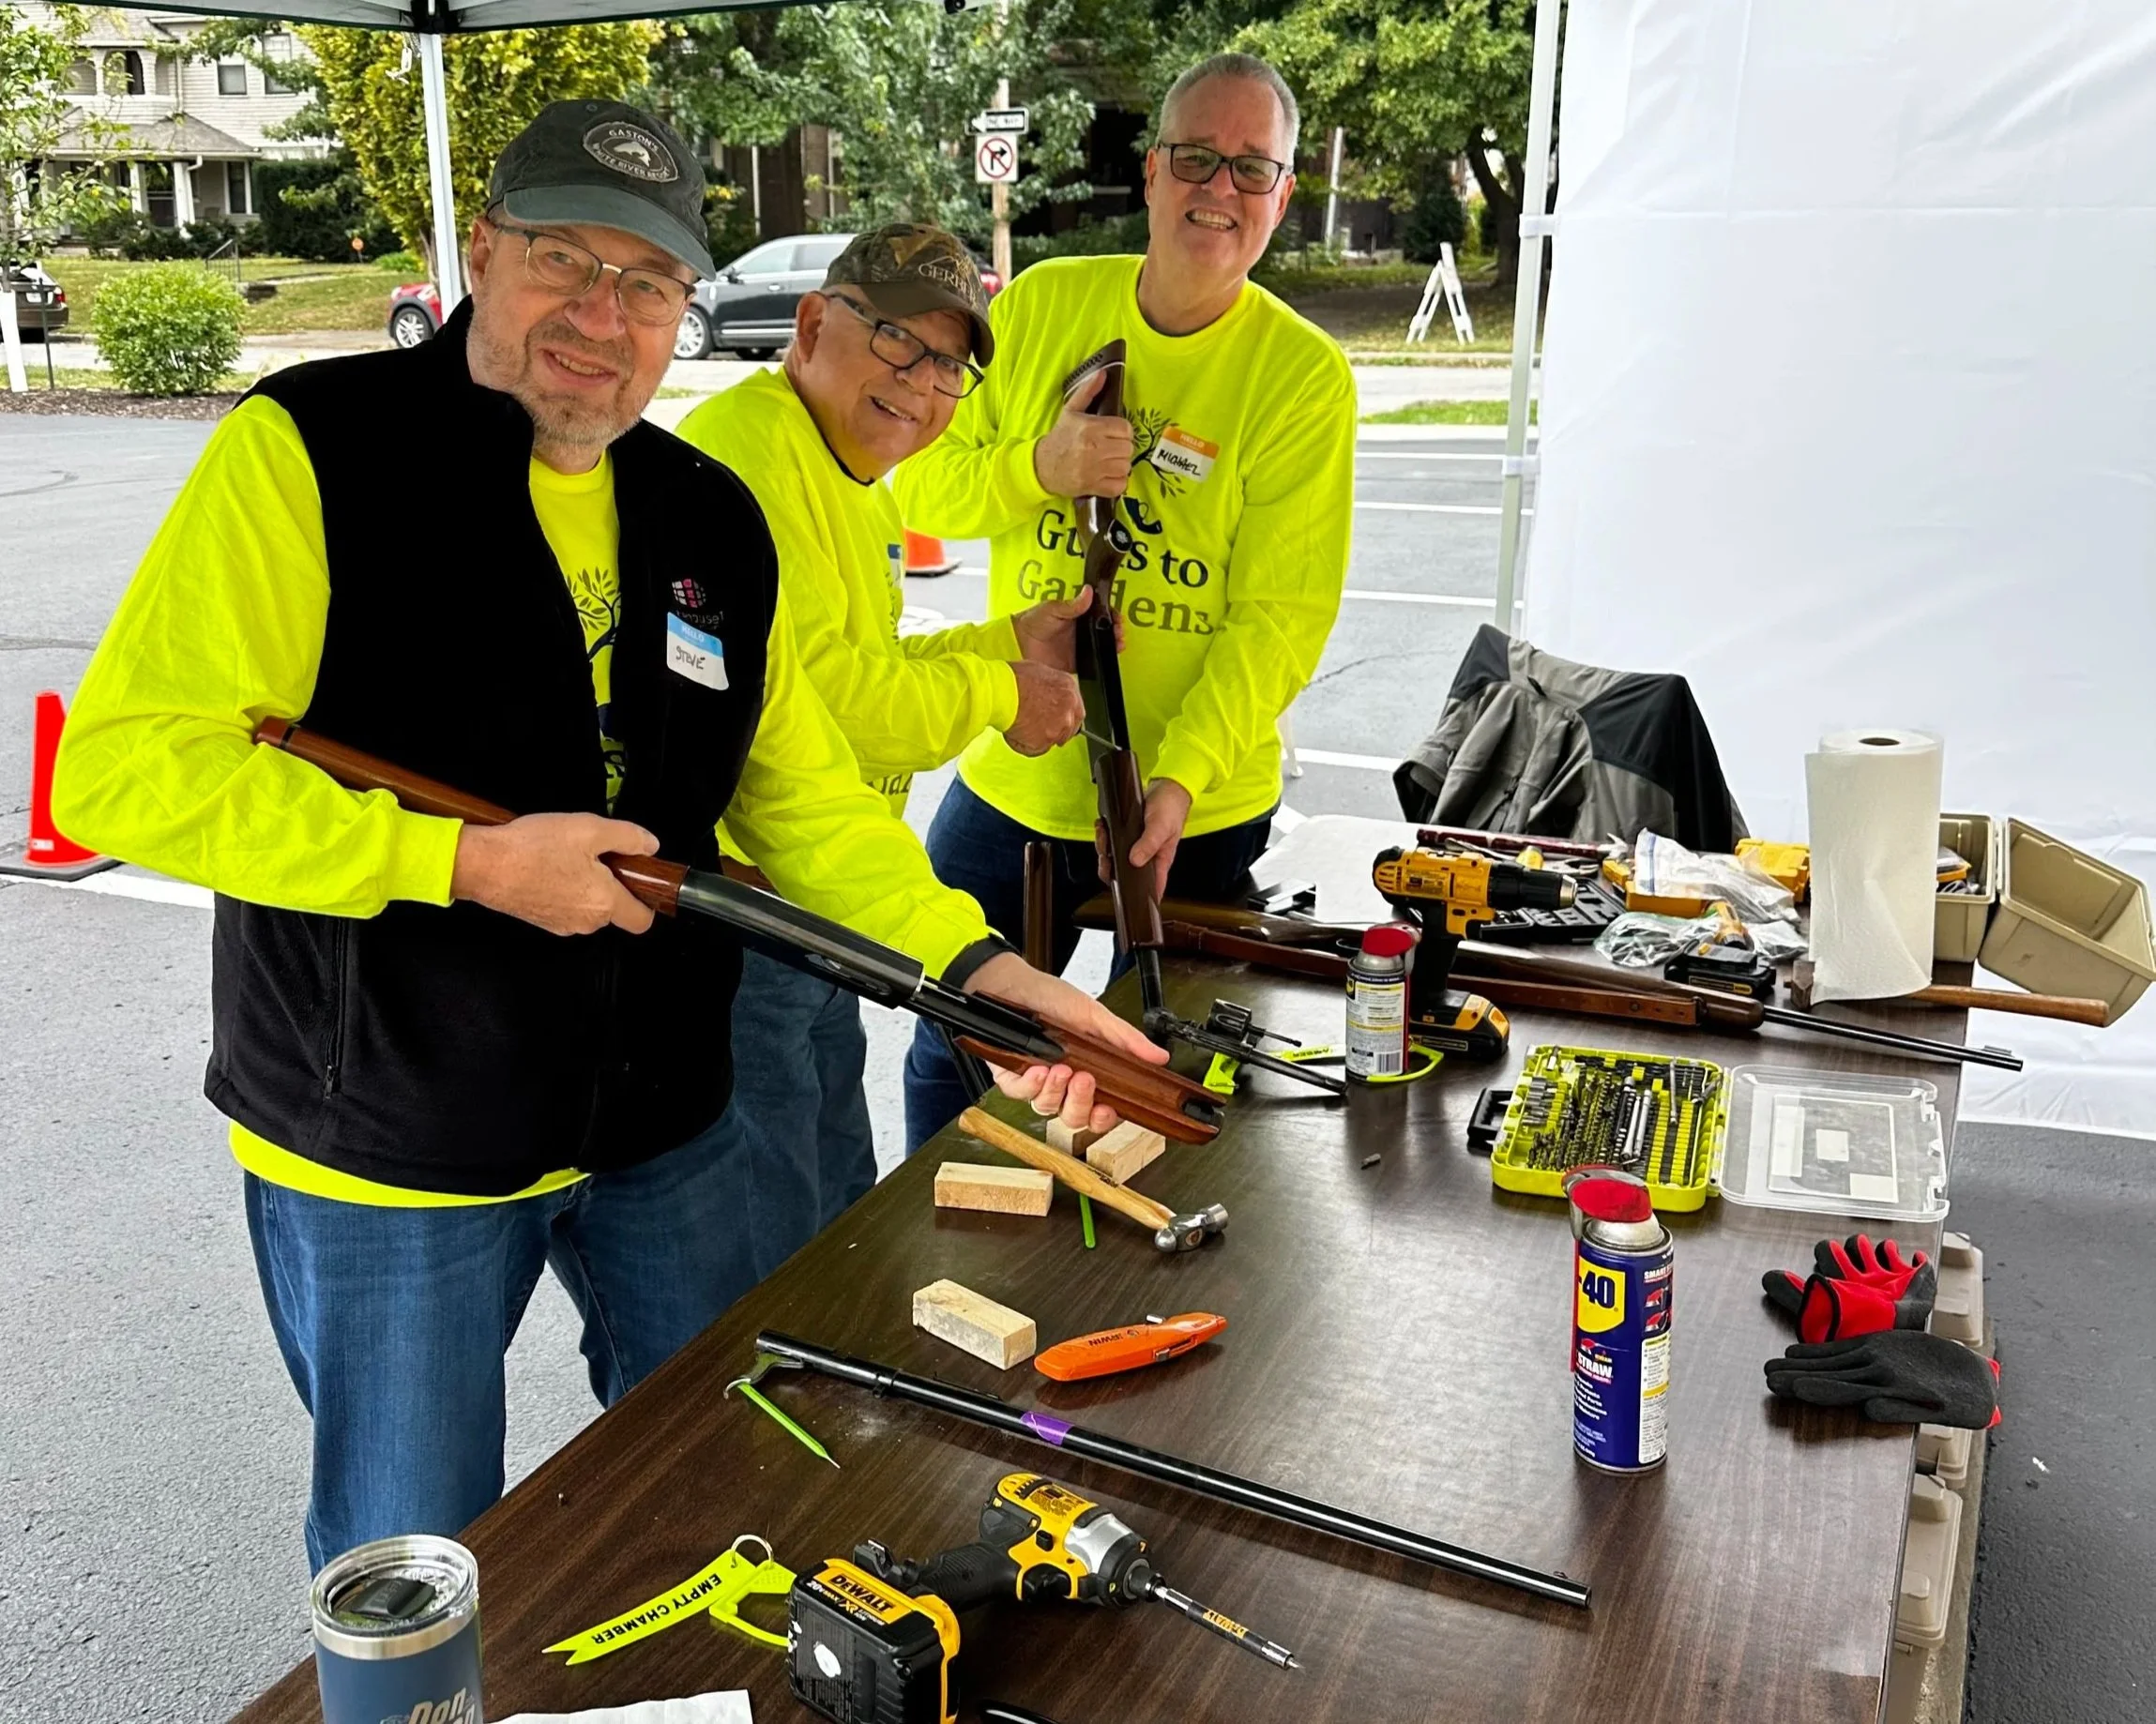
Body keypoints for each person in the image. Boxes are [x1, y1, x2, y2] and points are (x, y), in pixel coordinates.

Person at [53, 99, 1161, 1571]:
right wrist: (457, 862)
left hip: (659, 1114)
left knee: (719, 1472)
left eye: (646, 283)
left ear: (684, 311)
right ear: (483, 252)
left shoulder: (705, 508)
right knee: (415, 1553)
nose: (602, 314)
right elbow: (126, 772)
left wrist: (971, 970)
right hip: (395, 1131)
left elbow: (799, 797)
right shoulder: (315, 450)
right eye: (563, 259)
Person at [893, 52, 1359, 1151]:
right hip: (1014, 778)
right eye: (1196, 156)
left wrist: (1181, 774)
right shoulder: (1050, 302)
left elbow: (1280, 616)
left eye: (1253, 169)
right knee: (953, 1048)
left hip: (1194, 804)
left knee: (1171, 1087)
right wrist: (1038, 469)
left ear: (1285, 197)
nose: (1220, 189)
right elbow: (916, 475)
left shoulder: (1303, 377)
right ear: (1152, 172)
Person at [675, 226, 1096, 1275]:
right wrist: (1002, 690)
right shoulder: (751, 460)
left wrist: (1010, 636)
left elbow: (858, 657)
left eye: (950, 365)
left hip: (825, 897)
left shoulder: (837, 463)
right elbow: (842, 711)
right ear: (813, 323)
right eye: (900, 343)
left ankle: (838, 1373)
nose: (924, 384)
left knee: (834, 1197)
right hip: (752, 908)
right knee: (775, 1235)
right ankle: (771, 1413)